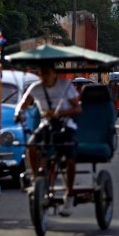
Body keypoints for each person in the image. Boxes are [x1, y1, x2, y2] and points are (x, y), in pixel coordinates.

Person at [15, 63, 82, 217]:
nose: (43, 76)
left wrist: (60, 113)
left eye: (46, 72)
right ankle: (35, 178)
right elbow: (23, 103)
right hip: (47, 125)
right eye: (41, 73)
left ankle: (69, 194)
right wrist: (19, 113)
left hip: (66, 125)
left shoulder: (65, 86)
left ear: (53, 73)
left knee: (70, 160)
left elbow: (78, 108)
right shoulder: (35, 88)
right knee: (31, 145)